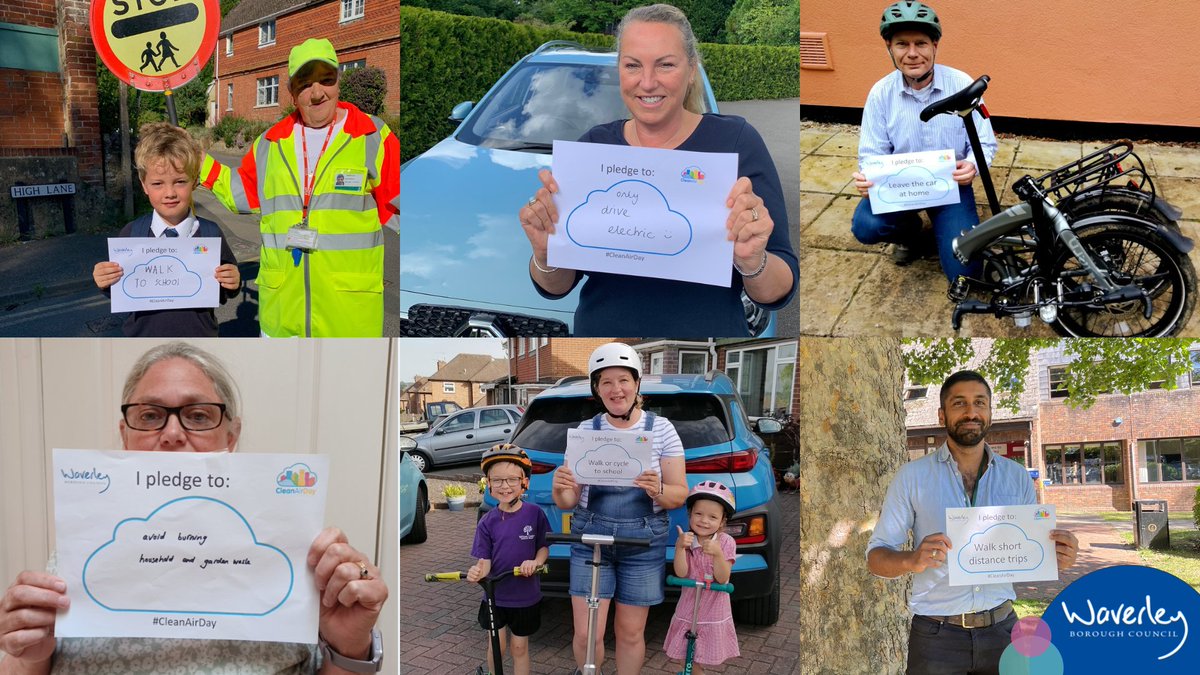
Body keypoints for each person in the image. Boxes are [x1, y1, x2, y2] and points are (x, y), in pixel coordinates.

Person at [0, 342, 389, 674]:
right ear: (126, 435)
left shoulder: (297, 553)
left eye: (198, 416)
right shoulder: (79, 550)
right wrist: (29, 656)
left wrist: (349, 646)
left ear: (231, 435)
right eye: (150, 416)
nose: (171, 434)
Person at [519, 4, 797, 337]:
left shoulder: (735, 142)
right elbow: (557, 285)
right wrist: (545, 254)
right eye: (633, 65)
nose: (647, 82)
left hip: (707, 343)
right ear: (620, 69)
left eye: (665, 65)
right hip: (600, 340)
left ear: (691, 69)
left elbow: (778, 291)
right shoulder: (593, 150)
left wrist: (753, 262)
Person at [867, 370, 1079, 675]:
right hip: (935, 638)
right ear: (942, 415)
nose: (971, 412)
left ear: (990, 413)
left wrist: (1058, 556)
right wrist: (912, 559)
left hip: (1004, 632)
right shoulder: (911, 477)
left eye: (980, 403)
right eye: (959, 404)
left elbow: (1031, 552)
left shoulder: (1017, 477)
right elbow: (876, 559)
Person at [201, 38, 400, 337]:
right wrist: (199, 162)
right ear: (292, 93)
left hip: (349, 319)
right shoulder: (270, 143)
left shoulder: (372, 136)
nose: (318, 93)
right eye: (305, 84)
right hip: (282, 316)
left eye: (327, 80)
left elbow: (406, 212)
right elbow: (241, 192)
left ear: (338, 83)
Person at [551, 342, 689, 674]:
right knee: (586, 634)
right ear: (597, 389)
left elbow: (679, 494)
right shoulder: (587, 432)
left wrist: (658, 490)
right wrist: (561, 489)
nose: (617, 389)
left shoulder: (661, 430)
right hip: (590, 540)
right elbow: (569, 502)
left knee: (629, 633)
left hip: (643, 542)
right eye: (606, 382)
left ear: (637, 383)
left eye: (624, 380)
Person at [850, 1, 996, 280]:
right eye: (902, 44)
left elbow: (986, 142)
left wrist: (973, 165)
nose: (913, 54)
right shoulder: (881, 93)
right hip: (900, 188)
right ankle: (910, 231)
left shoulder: (961, 83)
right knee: (866, 226)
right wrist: (868, 178)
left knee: (967, 274)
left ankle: (946, 225)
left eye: (921, 43)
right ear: (889, 48)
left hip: (950, 187)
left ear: (935, 45)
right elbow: (871, 153)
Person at [92, 122, 241, 337]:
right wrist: (104, 281)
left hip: (200, 339)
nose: (169, 193)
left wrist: (232, 282)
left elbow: (224, 290)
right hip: (143, 340)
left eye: (180, 182)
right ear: (144, 185)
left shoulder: (210, 233)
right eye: (158, 184)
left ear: (195, 181)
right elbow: (119, 289)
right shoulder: (132, 234)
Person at [466, 444, 550, 675]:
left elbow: (543, 547)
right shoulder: (487, 522)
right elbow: (485, 562)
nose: (505, 486)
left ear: (525, 482)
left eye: (512, 479)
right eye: (498, 480)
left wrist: (536, 562)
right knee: (496, 645)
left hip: (525, 597)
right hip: (495, 597)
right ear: (489, 484)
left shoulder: (535, 514)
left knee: (520, 646)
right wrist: (477, 572)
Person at [663, 481, 740, 674]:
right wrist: (680, 548)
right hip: (689, 605)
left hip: (713, 607)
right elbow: (681, 573)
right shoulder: (687, 539)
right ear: (690, 515)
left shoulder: (726, 542)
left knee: (701, 653)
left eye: (712, 517)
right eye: (698, 514)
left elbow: (722, 579)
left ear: (722, 521)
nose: (704, 520)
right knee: (682, 654)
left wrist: (717, 555)